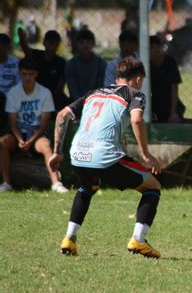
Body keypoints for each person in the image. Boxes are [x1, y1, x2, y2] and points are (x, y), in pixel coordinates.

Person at [48, 57, 163, 258]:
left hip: (78, 154)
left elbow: (61, 116)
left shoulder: (93, 93)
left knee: (88, 186)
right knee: (152, 187)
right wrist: (146, 155)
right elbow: (136, 120)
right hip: (104, 155)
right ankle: (138, 240)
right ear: (137, 79)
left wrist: (57, 152)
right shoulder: (135, 94)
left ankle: (69, 238)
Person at [0, 58, 68, 193]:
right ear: (19, 74)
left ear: (36, 74)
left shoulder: (44, 93)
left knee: (46, 146)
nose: (27, 78)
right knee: (2, 142)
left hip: (36, 134)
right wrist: (20, 139)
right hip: (18, 134)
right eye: (24, 74)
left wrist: (30, 141)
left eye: (31, 74)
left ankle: (56, 183)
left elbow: (44, 123)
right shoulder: (14, 93)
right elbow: (12, 122)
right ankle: (6, 183)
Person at [18, 28, 69, 114]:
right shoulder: (37, 55)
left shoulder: (60, 62)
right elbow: (25, 49)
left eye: (55, 43)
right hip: (35, 93)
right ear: (44, 43)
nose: (52, 46)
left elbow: (61, 84)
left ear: (57, 45)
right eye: (50, 42)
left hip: (53, 95)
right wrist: (21, 37)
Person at [149, 35, 184, 123]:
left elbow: (174, 88)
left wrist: (173, 113)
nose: (151, 51)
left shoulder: (170, 62)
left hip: (169, 104)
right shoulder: (146, 63)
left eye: (153, 48)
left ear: (160, 48)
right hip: (153, 104)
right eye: (149, 48)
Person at [65, 29, 107, 101]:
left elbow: (101, 87)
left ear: (93, 44)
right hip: (76, 103)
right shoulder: (71, 64)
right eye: (82, 42)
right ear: (77, 45)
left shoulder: (101, 63)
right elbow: (73, 89)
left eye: (88, 42)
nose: (85, 45)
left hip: (97, 102)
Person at [0, 33, 20, 132]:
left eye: (3, 46)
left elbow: (20, 86)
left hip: (10, 98)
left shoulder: (16, 63)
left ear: (8, 47)